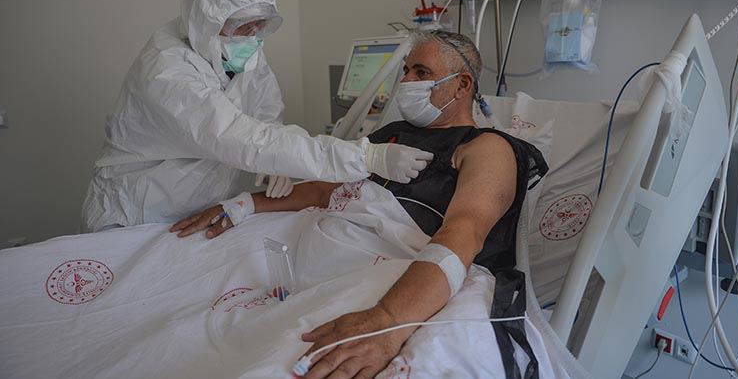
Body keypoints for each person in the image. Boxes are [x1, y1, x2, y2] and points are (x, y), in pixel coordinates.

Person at [171, 30, 548, 378]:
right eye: (406, 71)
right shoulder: (390, 135)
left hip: (389, 271)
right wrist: (242, 205)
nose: (407, 82)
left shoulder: (487, 147)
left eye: (422, 72)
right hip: (316, 266)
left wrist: (387, 320)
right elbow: (323, 191)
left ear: (462, 84)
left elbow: (464, 231)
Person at [81, 0, 432, 231]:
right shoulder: (166, 72)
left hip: (204, 211)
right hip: (139, 213)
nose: (253, 36)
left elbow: (264, 114)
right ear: (207, 18)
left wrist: (275, 162)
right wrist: (365, 156)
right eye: (243, 25)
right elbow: (238, 137)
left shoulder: (238, 47)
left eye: (260, 24)